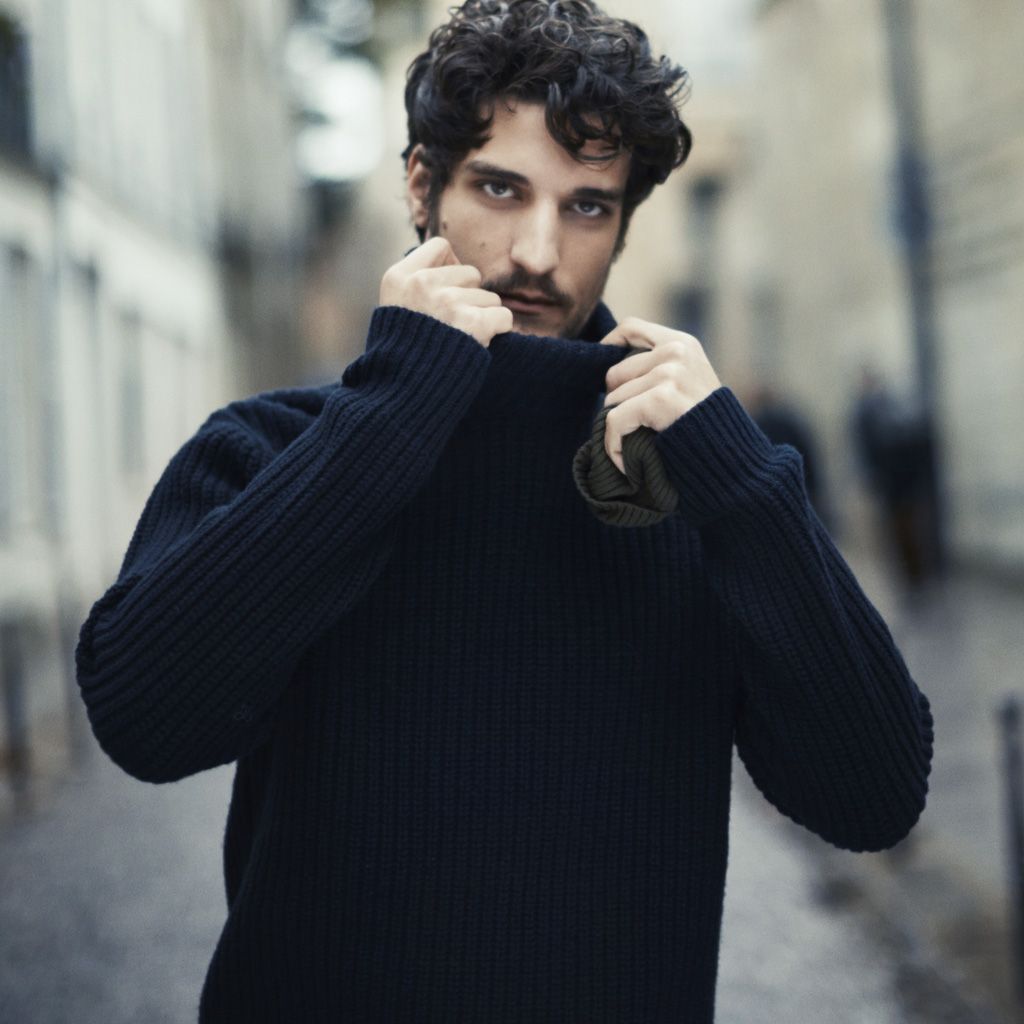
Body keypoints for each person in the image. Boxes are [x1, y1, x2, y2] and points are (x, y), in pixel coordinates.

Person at [75, 2, 934, 1021]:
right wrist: (393, 411)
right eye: (499, 187)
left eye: (587, 206)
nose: (537, 251)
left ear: (622, 224)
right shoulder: (270, 448)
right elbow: (145, 720)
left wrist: (745, 486)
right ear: (420, 186)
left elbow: (873, 796)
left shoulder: (688, 483)